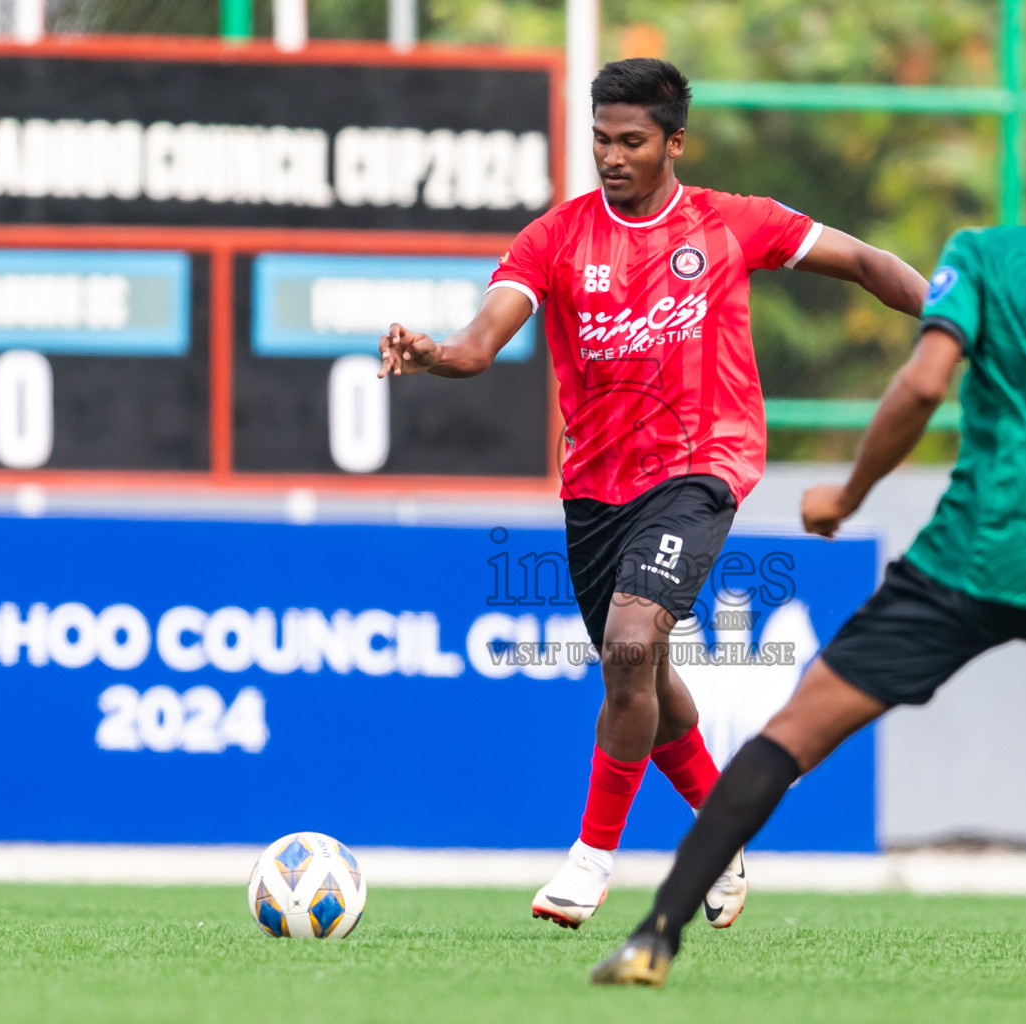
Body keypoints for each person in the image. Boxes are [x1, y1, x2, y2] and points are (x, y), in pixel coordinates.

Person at [591, 83, 1026, 991]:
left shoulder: (988, 258)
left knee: (800, 724)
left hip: (974, 552)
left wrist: (847, 491)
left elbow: (921, 388)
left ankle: (656, 936)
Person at [378, 57, 929, 930]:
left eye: (631, 141)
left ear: (675, 141)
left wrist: (944, 310)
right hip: (595, 487)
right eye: (600, 139)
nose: (612, 156)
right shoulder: (555, 239)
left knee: (631, 646)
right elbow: (482, 342)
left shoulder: (730, 223)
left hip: (701, 466)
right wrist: (434, 353)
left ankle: (590, 862)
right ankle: (722, 839)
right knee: (646, 678)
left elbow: (862, 261)